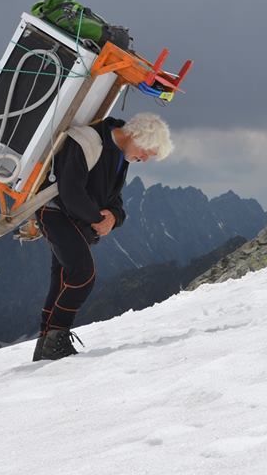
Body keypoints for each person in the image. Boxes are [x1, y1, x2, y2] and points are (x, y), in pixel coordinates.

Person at [33, 112, 174, 361]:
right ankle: (56, 340)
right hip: (53, 211)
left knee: (64, 278)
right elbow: (70, 191)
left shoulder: (120, 155)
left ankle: (46, 346)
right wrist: (99, 220)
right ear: (136, 135)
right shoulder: (89, 140)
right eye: (147, 152)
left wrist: (114, 217)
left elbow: (113, 200)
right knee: (82, 274)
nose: (144, 159)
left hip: (70, 218)